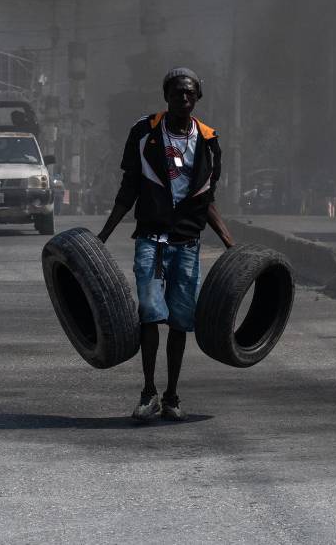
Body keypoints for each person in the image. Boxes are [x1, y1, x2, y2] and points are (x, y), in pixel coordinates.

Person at [97, 67, 235, 422]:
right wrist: (102, 236)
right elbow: (129, 188)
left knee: (178, 321)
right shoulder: (145, 132)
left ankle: (172, 395)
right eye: (176, 93)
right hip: (150, 240)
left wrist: (231, 246)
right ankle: (148, 392)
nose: (183, 98)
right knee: (149, 315)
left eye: (189, 93)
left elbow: (206, 199)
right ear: (166, 96)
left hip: (187, 243)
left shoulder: (208, 140)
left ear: (197, 98)